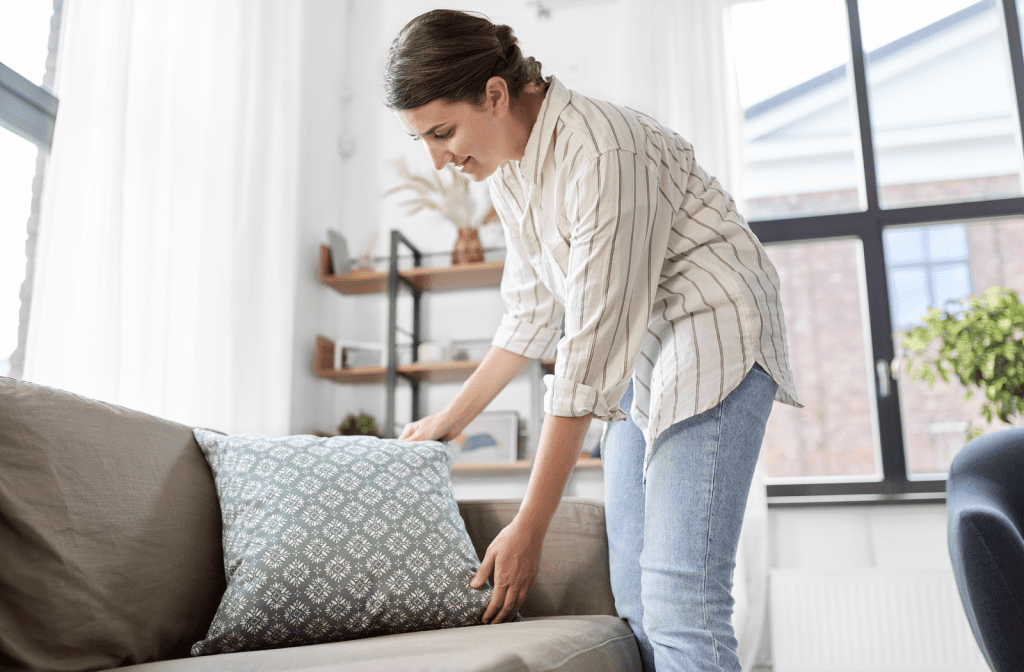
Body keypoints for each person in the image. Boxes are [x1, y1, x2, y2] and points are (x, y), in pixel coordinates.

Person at [384, 9, 801, 672]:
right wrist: (445, 422)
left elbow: (586, 352)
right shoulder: (511, 169)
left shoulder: (604, 150)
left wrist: (531, 525)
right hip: (643, 354)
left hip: (713, 331)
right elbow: (529, 315)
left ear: (494, 94)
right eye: (422, 141)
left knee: (681, 600)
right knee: (635, 601)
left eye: (442, 132)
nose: (438, 159)